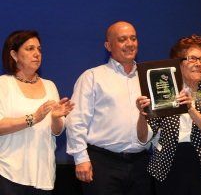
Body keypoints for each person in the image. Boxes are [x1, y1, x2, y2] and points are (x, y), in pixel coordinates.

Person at [66, 21, 152, 195]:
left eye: (133, 38)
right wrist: (80, 158)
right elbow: (76, 121)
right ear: (108, 45)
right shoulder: (93, 77)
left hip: (141, 164)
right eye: (122, 39)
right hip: (103, 164)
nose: (129, 43)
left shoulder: (148, 76)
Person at [136, 35, 201, 195]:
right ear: (178, 63)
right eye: (192, 59)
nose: (198, 64)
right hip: (169, 165)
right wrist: (141, 114)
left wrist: (191, 109)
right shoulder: (164, 91)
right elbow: (144, 138)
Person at [0, 30, 74, 194]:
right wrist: (34, 117)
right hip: (8, 173)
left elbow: (57, 130)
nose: (37, 54)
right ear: (14, 54)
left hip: (43, 174)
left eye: (39, 49)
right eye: (30, 49)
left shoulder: (49, 85)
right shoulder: (3, 84)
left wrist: (56, 118)